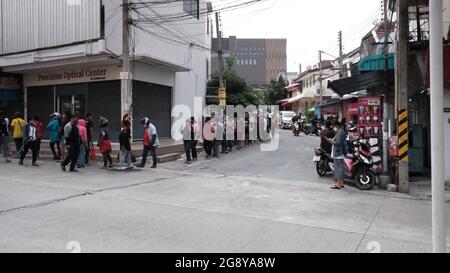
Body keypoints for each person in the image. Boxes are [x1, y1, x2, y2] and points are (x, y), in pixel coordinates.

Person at [326, 121, 347, 190]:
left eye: (334, 126)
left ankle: (338, 184)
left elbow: (338, 143)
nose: (333, 128)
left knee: (338, 169)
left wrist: (331, 141)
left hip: (338, 153)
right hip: (340, 153)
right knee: (341, 168)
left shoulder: (340, 132)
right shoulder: (342, 131)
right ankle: (341, 183)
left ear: (337, 125)